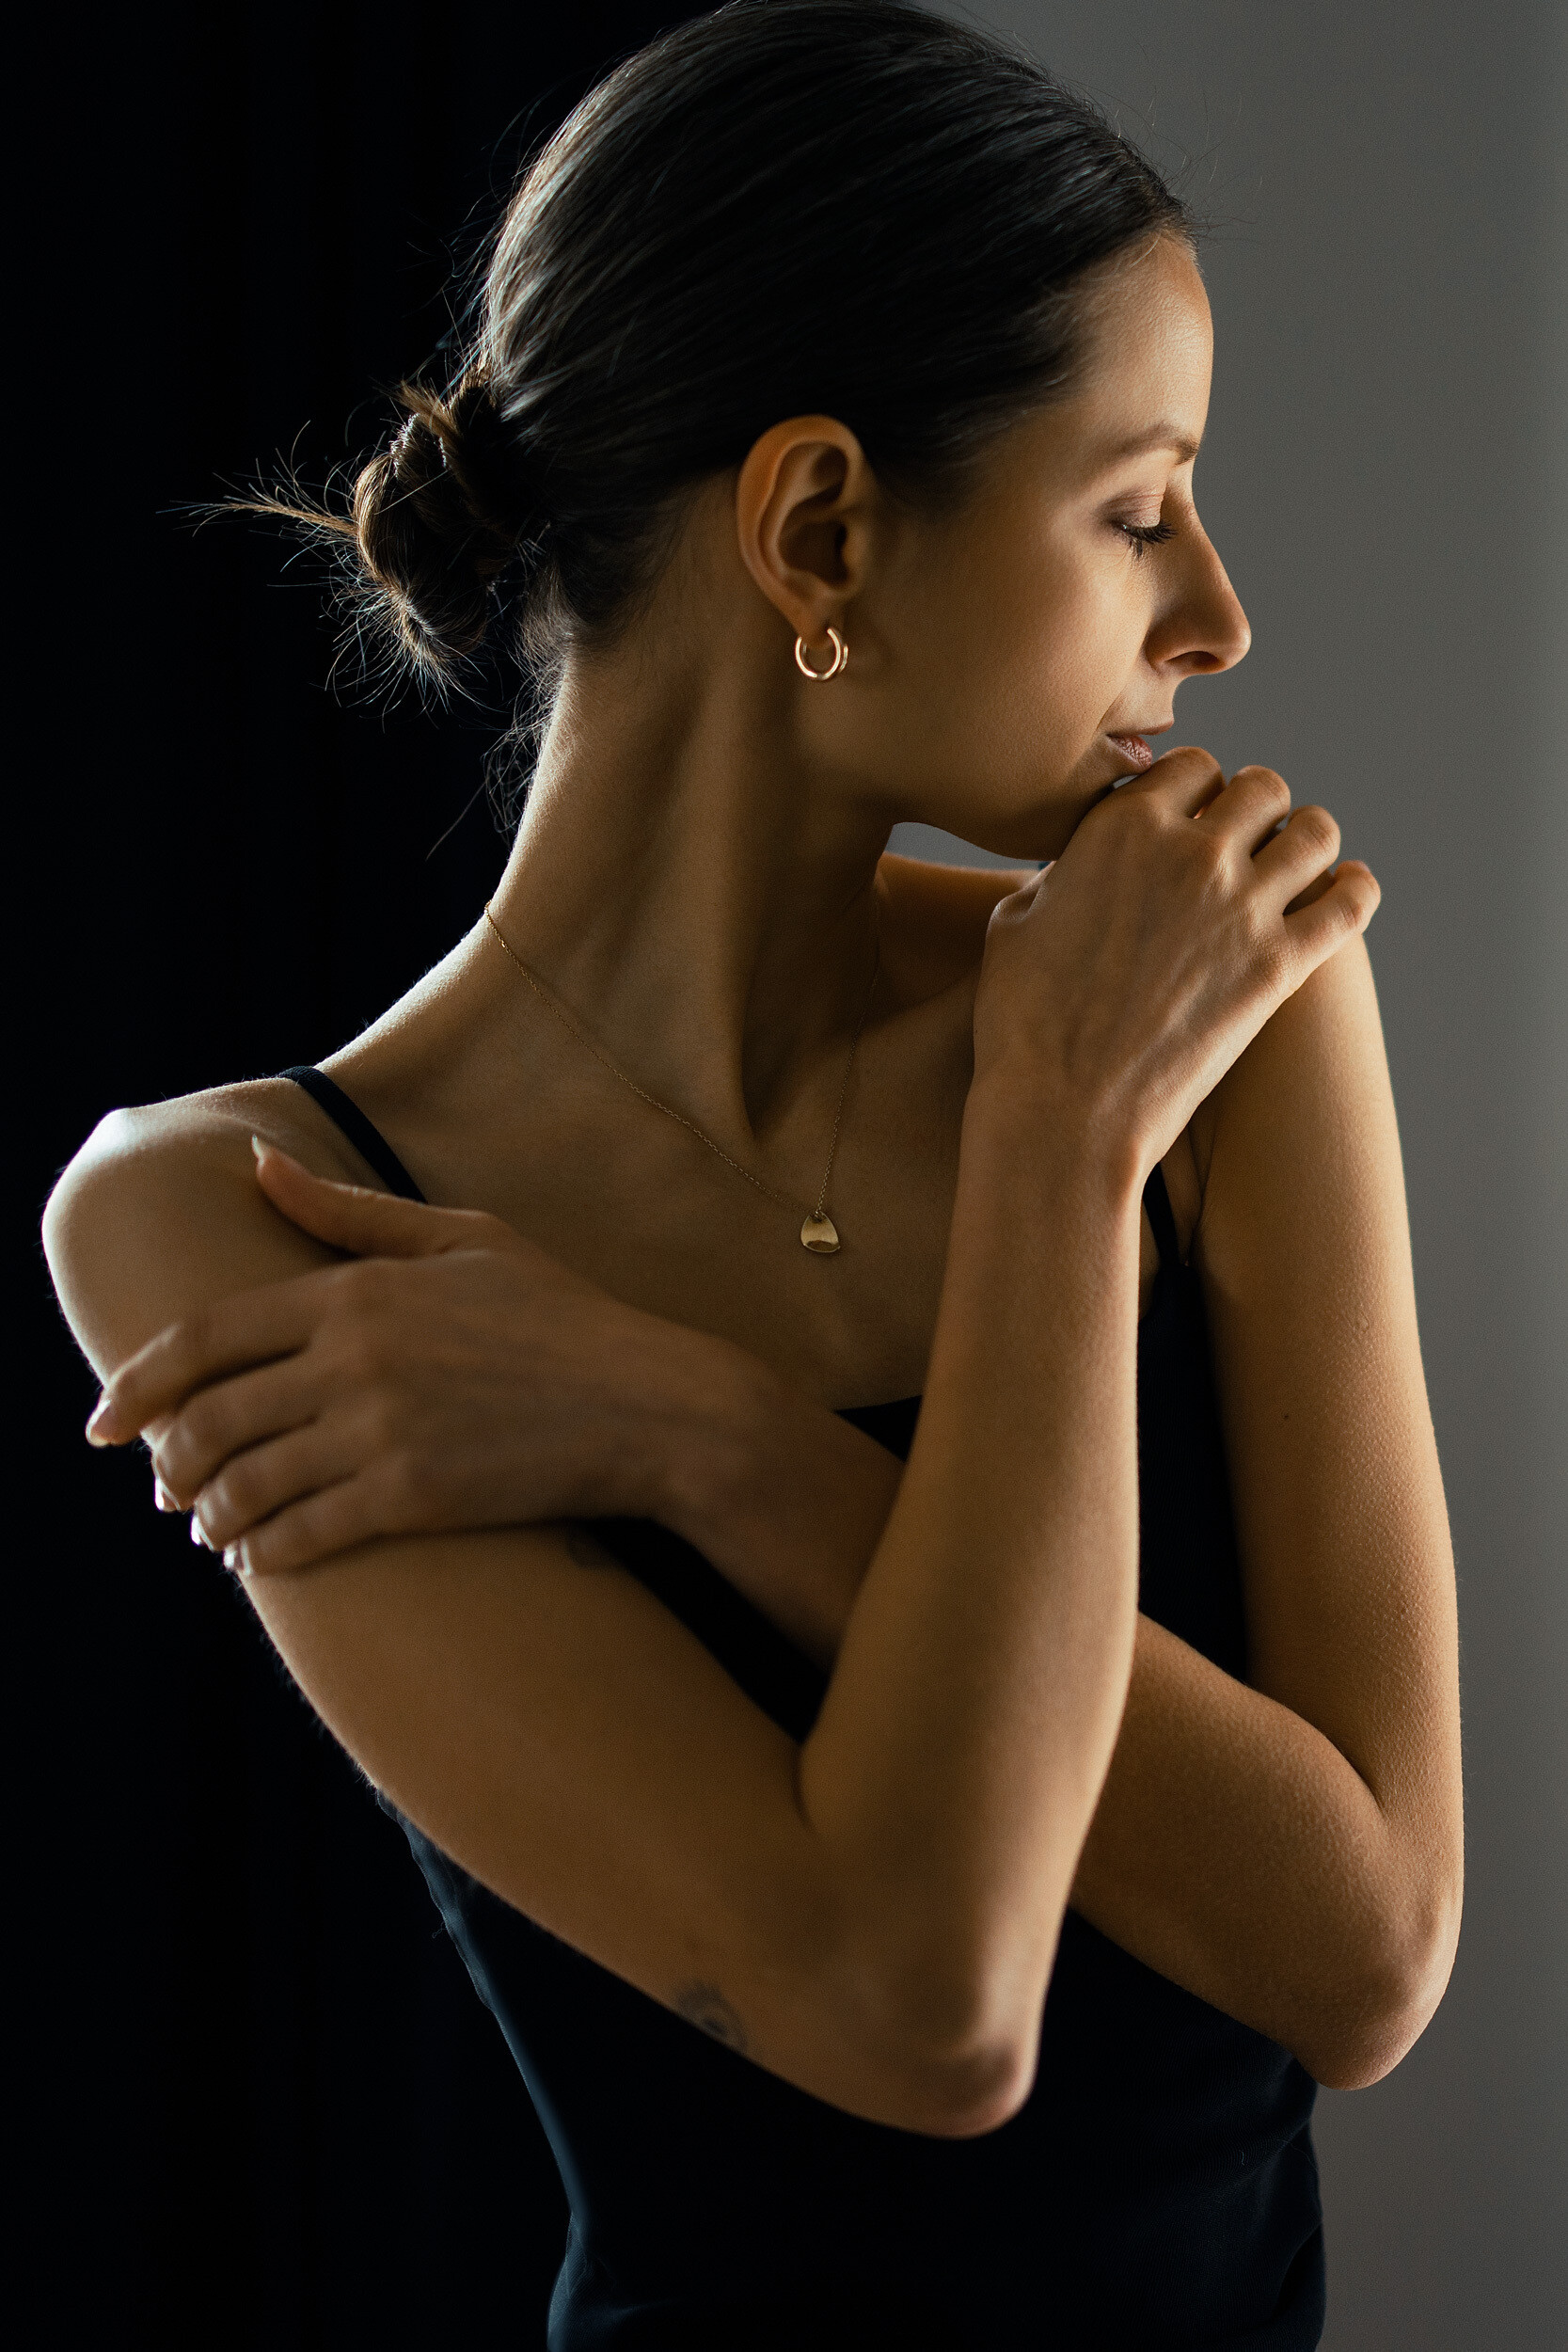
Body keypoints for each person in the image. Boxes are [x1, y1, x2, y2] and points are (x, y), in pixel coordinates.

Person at [43, 4, 1463, 2344]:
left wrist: (691, 1427)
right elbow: (924, 2002)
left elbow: (1368, 1954)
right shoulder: (237, 1212)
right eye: (1136, 509)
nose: (1216, 619)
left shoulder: (1213, 1016)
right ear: (819, 529)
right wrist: (1059, 1155)